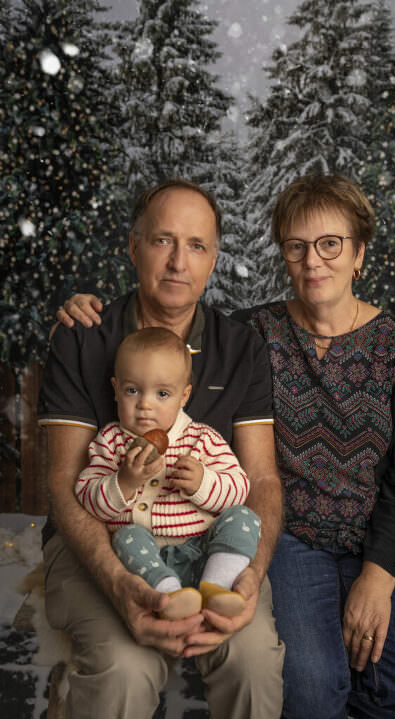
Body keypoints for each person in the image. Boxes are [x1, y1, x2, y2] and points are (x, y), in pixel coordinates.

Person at [62, 173, 395, 719]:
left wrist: (378, 574)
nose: (313, 261)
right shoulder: (256, 334)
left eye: (330, 244)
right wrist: (86, 307)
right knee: (310, 691)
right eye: (296, 247)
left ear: (359, 252)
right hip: (294, 538)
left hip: (382, 537)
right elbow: (161, 334)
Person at [38, 178, 284, 719]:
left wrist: (250, 574)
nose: (178, 262)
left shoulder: (239, 348)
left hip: (205, 542)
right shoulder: (84, 337)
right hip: (98, 542)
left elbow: (261, 481)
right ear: (132, 247)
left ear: (213, 259)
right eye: (162, 241)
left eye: (196, 246)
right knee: (125, 670)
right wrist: (122, 584)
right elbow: (63, 485)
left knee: (252, 661)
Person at [76, 326, 261, 620]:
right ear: (115, 389)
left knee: (245, 518)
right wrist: (123, 482)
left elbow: (239, 487)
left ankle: (217, 587)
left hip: (202, 550)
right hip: (144, 561)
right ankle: (169, 594)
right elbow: (87, 496)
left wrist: (203, 482)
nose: (145, 405)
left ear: (184, 396)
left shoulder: (202, 439)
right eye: (132, 390)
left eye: (162, 394)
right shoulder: (110, 442)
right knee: (126, 536)